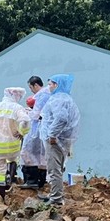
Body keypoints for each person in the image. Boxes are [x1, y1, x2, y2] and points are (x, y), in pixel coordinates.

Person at [40, 74, 80, 208]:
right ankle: (55, 194)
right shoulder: (66, 98)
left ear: (57, 85)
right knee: (58, 167)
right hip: (62, 139)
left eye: (50, 84)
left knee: (54, 168)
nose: (49, 87)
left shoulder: (58, 99)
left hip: (55, 140)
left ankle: (56, 198)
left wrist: (52, 135)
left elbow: (61, 118)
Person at [20, 75, 51, 189]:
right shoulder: (49, 93)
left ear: (36, 85)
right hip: (45, 128)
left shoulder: (42, 95)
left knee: (29, 152)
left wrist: (28, 113)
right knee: (42, 155)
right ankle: (41, 181)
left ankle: (31, 180)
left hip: (37, 128)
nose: (31, 90)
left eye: (31, 87)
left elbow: (36, 113)